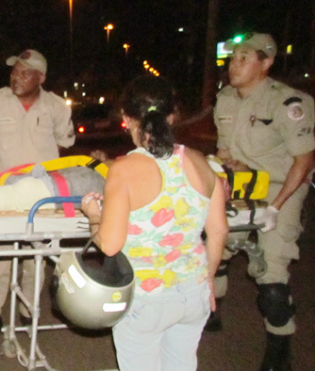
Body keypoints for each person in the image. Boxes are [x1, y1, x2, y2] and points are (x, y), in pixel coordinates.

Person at [81, 75, 228, 371]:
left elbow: (110, 244)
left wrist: (94, 215)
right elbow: (218, 231)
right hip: (192, 294)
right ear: (173, 116)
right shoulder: (201, 162)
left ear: (126, 118)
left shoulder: (124, 170)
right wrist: (208, 280)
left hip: (147, 299)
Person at [211, 33, 315, 371]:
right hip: (242, 183)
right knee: (216, 243)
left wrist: (276, 207)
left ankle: (279, 347)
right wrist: (223, 168)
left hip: (281, 185)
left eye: (244, 58)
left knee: (271, 271)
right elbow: (225, 149)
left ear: (266, 63)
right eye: (232, 58)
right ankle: (211, 311)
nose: (234, 64)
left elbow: (304, 161)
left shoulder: (289, 103)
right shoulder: (225, 99)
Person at [0, 49, 75, 339]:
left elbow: (64, 146)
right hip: (7, 193)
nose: (15, 76)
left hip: (43, 195)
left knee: (35, 256)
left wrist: (55, 181)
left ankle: (28, 313)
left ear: (40, 78)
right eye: (14, 70)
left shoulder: (57, 107)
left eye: (24, 72)